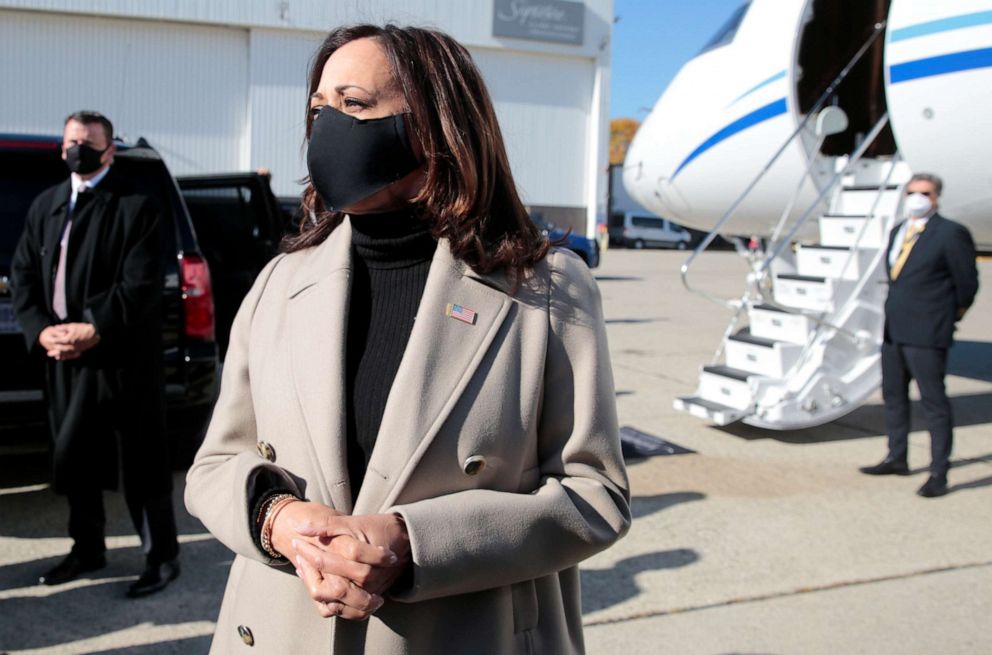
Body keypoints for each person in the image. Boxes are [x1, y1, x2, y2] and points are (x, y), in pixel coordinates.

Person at [185, 24, 630, 654]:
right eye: (318, 108)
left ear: (434, 125)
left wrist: (412, 542)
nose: (326, 125)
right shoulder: (280, 283)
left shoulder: (547, 289)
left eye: (354, 104)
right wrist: (275, 518)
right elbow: (213, 466)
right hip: (285, 630)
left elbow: (596, 496)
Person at [11, 111, 180, 595]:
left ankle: (161, 558)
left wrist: (94, 326)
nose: (76, 150)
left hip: (121, 358)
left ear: (109, 150)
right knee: (74, 458)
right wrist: (41, 331)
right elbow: (23, 275)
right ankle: (87, 549)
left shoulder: (135, 206)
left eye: (86, 142)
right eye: (70, 141)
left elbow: (141, 282)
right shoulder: (46, 204)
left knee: (140, 464)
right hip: (63, 357)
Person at [860, 173, 979, 497]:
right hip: (894, 331)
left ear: (937, 197)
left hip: (928, 333)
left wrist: (947, 318)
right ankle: (897, 456)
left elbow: (967, 284)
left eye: (924, 193)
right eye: (912, 192)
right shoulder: (900, 230)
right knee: (894, 396)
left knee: (934, 403)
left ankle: (939, 472)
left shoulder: (951, 233)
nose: (917, 198)